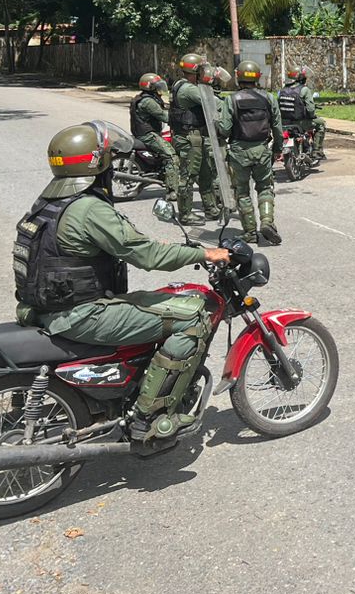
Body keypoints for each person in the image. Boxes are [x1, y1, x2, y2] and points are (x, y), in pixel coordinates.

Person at [14, 120, 230, 442]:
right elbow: (147, 255)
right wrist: (203, 254)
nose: (113, 171)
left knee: (150, 305)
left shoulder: (49, 203)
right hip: (82, 315)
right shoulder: (89, 209)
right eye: (110, 163)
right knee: (192, 319)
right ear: (98, 166)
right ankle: (150, 417)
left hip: (42, 309)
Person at [219, 60, 283, 245]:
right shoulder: (269, 99)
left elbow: (224, 129)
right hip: (262, 150)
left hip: (239, 152)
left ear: (238, 77)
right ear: (257, 78)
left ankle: (250, 232)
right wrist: (277, 149)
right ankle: (267, 222)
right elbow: (278, 128)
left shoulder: (231, 100)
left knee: (243, 192)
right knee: (265, 187)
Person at [169, 53, 220, 225]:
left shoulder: (183, 84)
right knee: (188, 176)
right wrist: (232, 103)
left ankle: (211, 207)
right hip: (189, 139)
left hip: (196, 137)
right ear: (196, 71)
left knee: (206, 173)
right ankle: (185, 214)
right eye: (202, 70)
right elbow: (212, 102)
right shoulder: (188, 89)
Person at [130, 73, 180, 201]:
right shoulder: (148, 102)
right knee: (171, 156)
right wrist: (182, 118)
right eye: (157, 86)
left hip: (143, 133)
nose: (160, 89)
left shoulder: (142, 98)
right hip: (148, 135)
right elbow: (164, 116)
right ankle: (172, 191)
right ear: (150, 87)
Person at [278, 66, 327, 160]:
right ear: (302, 78)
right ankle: (317, 151)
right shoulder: (304, 89)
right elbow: (311, 109)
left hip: (284, 122)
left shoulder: (282, 90)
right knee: (321, 124)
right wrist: (312, 116)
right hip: (299, 123)